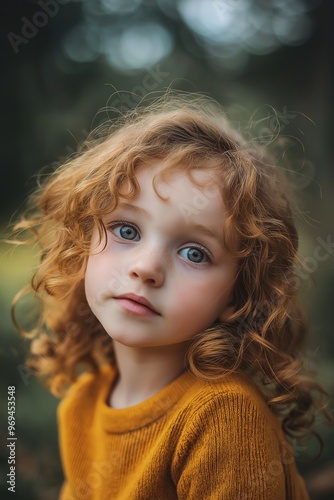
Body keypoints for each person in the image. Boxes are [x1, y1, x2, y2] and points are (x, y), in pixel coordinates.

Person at [12, 93, 330, 499]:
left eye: (194, 253)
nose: (146, 267)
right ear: (83, 241)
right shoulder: (82, 403)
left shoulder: (224, 417)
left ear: (239, 294)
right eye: (126, 230)